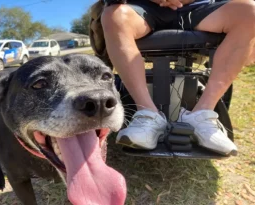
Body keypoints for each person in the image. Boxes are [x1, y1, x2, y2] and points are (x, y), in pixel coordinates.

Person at [101, 0, 255, 156]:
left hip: (197, 8)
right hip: (145, 8)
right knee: (113, 15)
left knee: (250, 11)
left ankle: (202, 115)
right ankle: (148, 114)